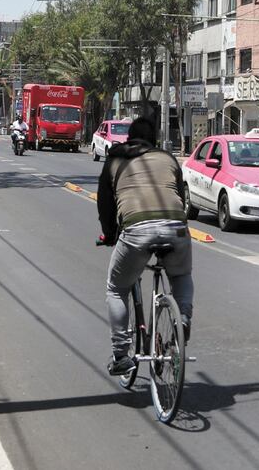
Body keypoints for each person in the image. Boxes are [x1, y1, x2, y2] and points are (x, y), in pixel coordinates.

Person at [97, 116, 194, 376]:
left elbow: (105, 203)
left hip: (137, 230)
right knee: (181, 275)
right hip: (176, 227)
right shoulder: (168, 159)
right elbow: (180, 197)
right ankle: (182, 318)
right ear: (155, 139)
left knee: (116, 288)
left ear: (129, 137)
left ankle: (121, 355)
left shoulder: (115, 159)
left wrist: (109, 234)